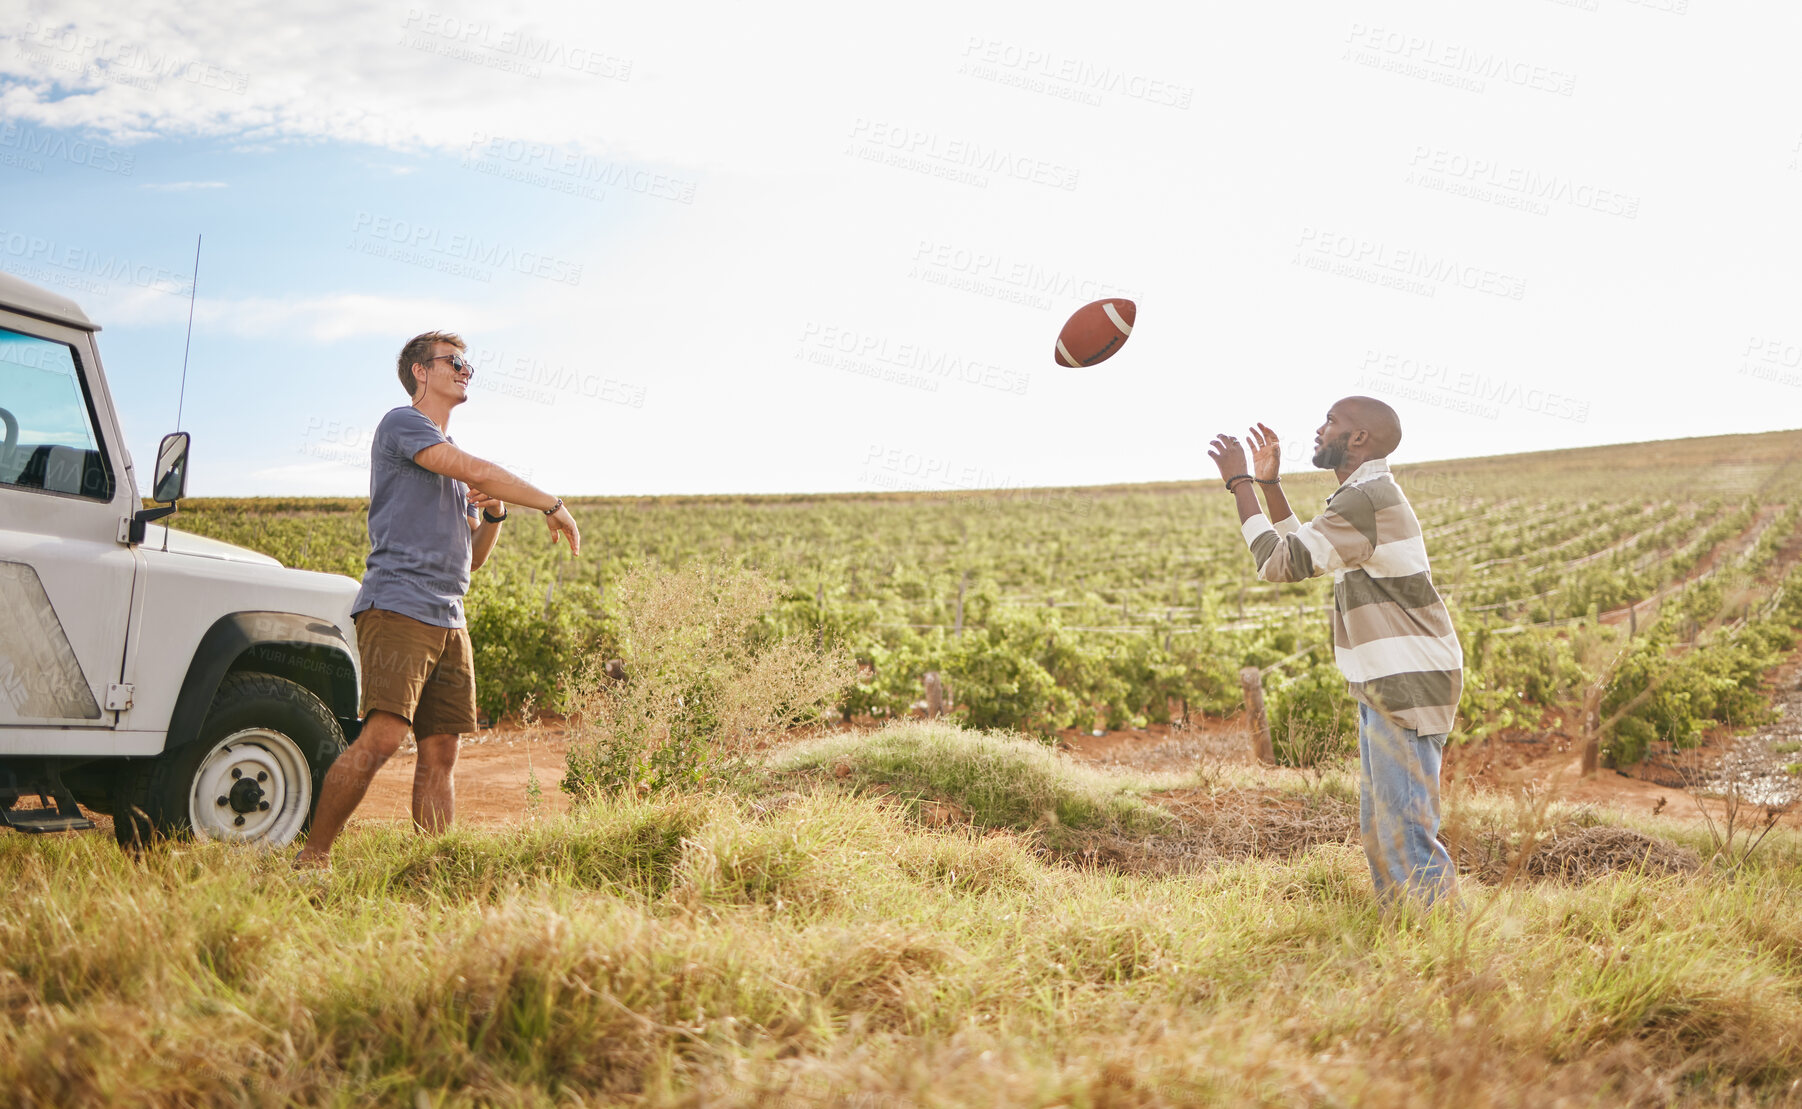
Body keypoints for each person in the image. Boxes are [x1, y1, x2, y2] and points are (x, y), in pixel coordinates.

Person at [294, 331, 581, 867]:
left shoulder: (447, 468)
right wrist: (551, 503)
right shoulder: (404, 425)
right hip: (400, 602)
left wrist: (494, 513)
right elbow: (475, 468)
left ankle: (434, 866)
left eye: (467, 364)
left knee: (442, 749)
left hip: (450, 614)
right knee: (383, 736)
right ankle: (313, 858)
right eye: (454, 362)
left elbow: (471, 559)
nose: (465, 370)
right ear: (421, 372)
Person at [1207, 397, 1461, 907]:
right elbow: (1307, 546)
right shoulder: (1361, 498)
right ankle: (1406, 933)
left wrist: (1240, 485)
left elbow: (1279, 563)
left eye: (1331, 422)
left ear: (1359, 439)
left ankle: (1438, 943)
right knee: (1382, 824)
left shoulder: (1364, 499)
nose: (1319, 430)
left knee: (1403, 829)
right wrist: (1270, 486)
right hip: (1389, 681)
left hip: (1407, 681)